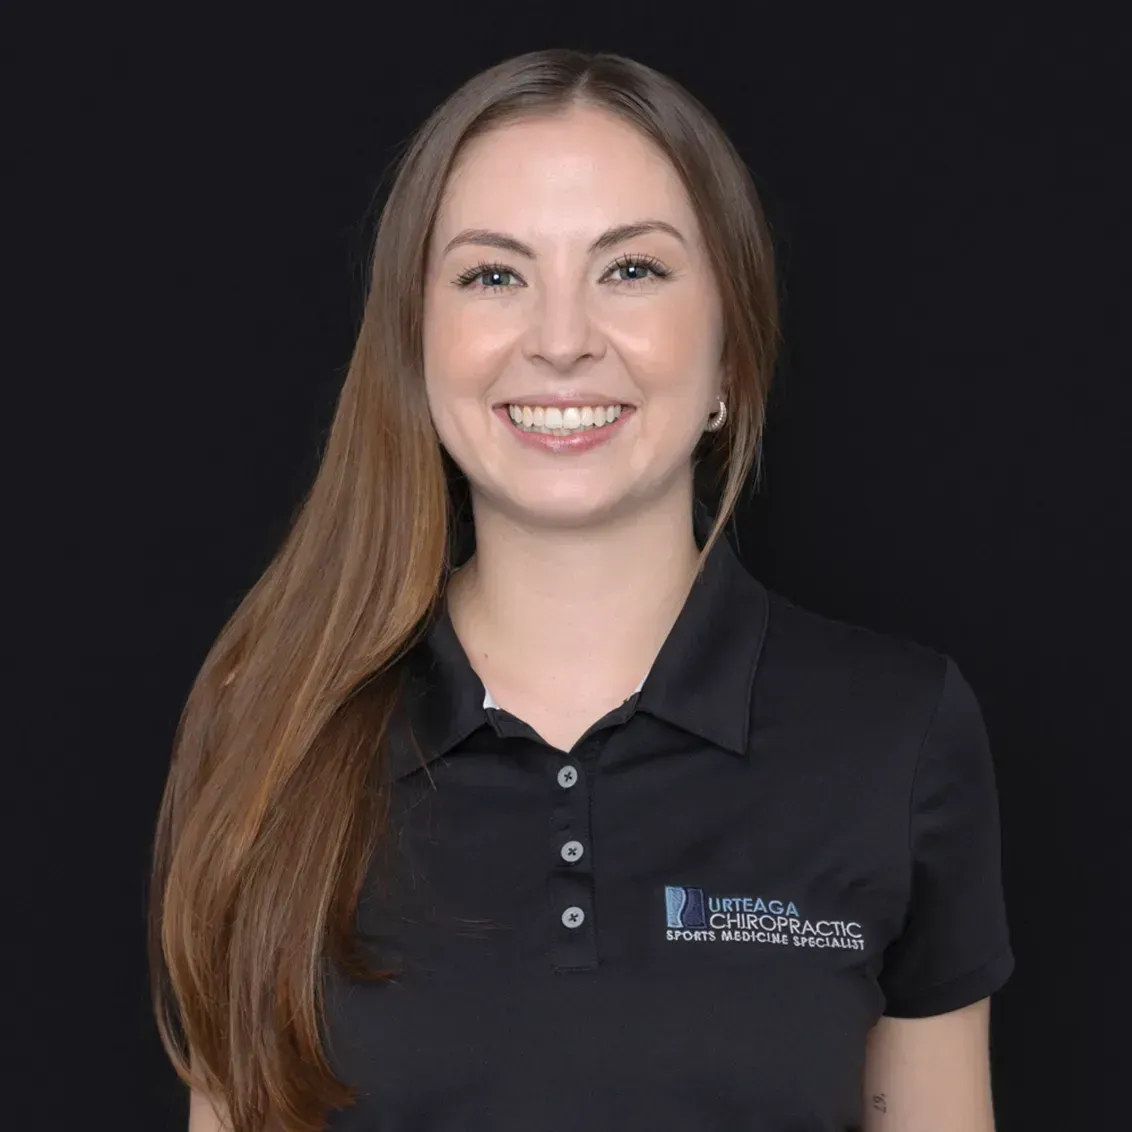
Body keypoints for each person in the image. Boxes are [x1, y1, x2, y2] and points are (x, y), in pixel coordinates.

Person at [151, 49, 1014, 1132]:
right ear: (415, 352)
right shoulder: (271, 720)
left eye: (632, 270)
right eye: (493, 276)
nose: (561, 341)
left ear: (732, 353)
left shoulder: (896, 730)